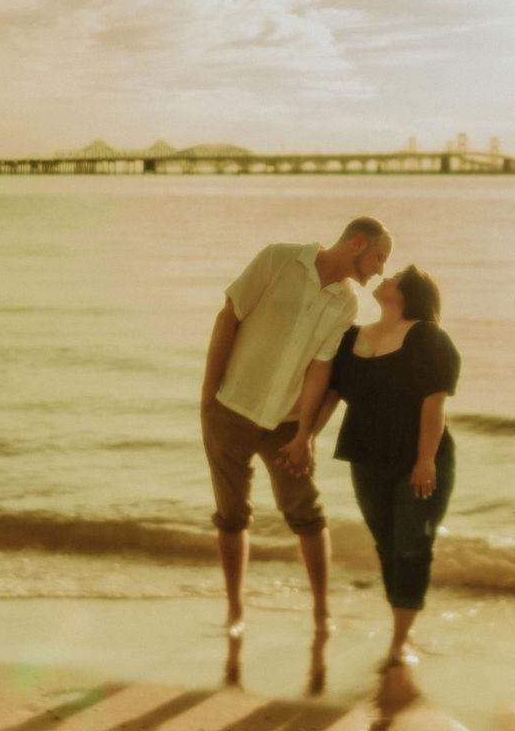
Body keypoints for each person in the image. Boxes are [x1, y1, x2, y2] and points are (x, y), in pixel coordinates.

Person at [199, 216, 392, 688]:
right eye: (379, 258)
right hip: (230, 408)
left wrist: (305, 434)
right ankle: (235, 612)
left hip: (285, 424)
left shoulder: (346, 303)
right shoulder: (277, 260)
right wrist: (208, 396)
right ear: (357, 244)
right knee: (231, 515)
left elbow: (319, 369)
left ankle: (322, 613)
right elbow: (229, 317)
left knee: (306, 513)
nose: (380, 270)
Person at [283, 265, 460, 667]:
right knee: (387, 544)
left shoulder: (429, 338)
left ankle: (400, 639)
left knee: (413, 546)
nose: (385, 278)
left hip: (420, 459)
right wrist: (305, 437)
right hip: (366, 458)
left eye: (394, 278)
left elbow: (434, 404)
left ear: (408, 293)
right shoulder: (351, 338)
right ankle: (400, 620)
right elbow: (330, 395)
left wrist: (426, 460)